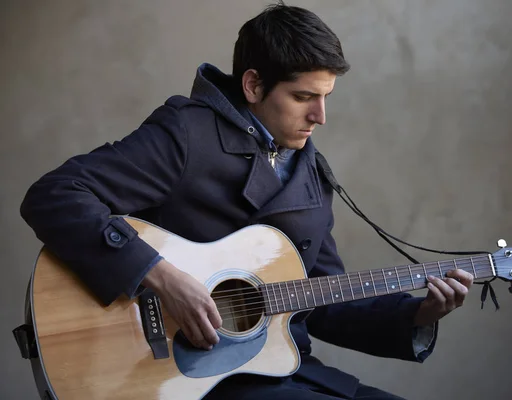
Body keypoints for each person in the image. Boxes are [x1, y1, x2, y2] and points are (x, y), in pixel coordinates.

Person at [20, 3, 474, 399]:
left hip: (274, 371)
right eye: (303, 97)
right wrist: (158, 276)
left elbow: (323, 302)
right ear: (254, 86)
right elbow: (55, 195)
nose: (320, 117)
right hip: (171, 376)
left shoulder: (311, 176)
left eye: (326, 98)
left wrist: (419, 313)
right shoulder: (186, 135)